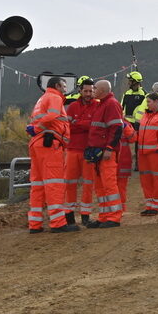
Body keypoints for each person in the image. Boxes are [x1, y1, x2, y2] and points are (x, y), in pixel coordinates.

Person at [27, 76, 78, 233]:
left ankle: (35, 224)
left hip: (37, 144)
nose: (65, 89)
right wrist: (38, 127)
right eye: (63, 86)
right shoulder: (54, 97)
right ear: (56, 85)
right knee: (54, 184)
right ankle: (58, 223)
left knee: (38, 185)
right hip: (50, 144)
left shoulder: (41, 99)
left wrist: (34, 128)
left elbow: (35, 120)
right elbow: (53, 115)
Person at [86, 79, 125, 229]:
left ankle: (114, 217)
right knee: (101, 186)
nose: (93, 90)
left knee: (109, 185)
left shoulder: (111, 104)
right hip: (97, 152)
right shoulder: (101, 104)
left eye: (95, 88)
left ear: (102, 90)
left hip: (105, 152)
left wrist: (109, 148)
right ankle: (104, 216)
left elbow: (117, 128)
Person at [65, 77, 98, 225]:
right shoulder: (72, 106)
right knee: (69, 184)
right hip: (72, 150)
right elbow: (68, 127)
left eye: (91, 91)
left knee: (88, 184)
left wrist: (78, 123)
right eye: (86, 91)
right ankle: (69, 215)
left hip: (89, 151)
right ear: (80, 90)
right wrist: (86, 125)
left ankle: (85, 215)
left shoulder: (97, 105)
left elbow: (95, 127)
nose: (88, 93)